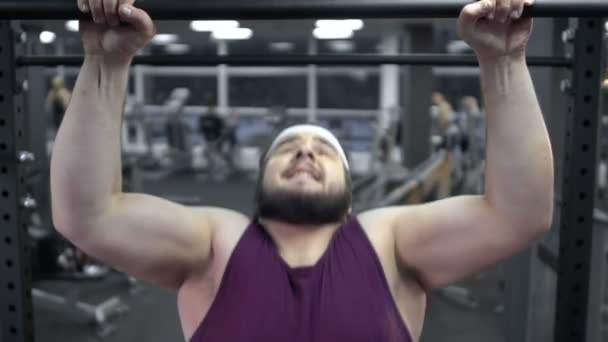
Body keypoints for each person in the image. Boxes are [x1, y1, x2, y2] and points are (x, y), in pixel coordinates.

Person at [51, 0, 553, 341]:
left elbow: (519, 214)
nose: (306, 152)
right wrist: (104, 63)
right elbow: (86, 215)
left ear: (351, 198)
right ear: (260, 182)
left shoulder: (388, 240)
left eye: (323, 150)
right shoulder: (215, 242)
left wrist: (504, 62)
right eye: (289, 147)